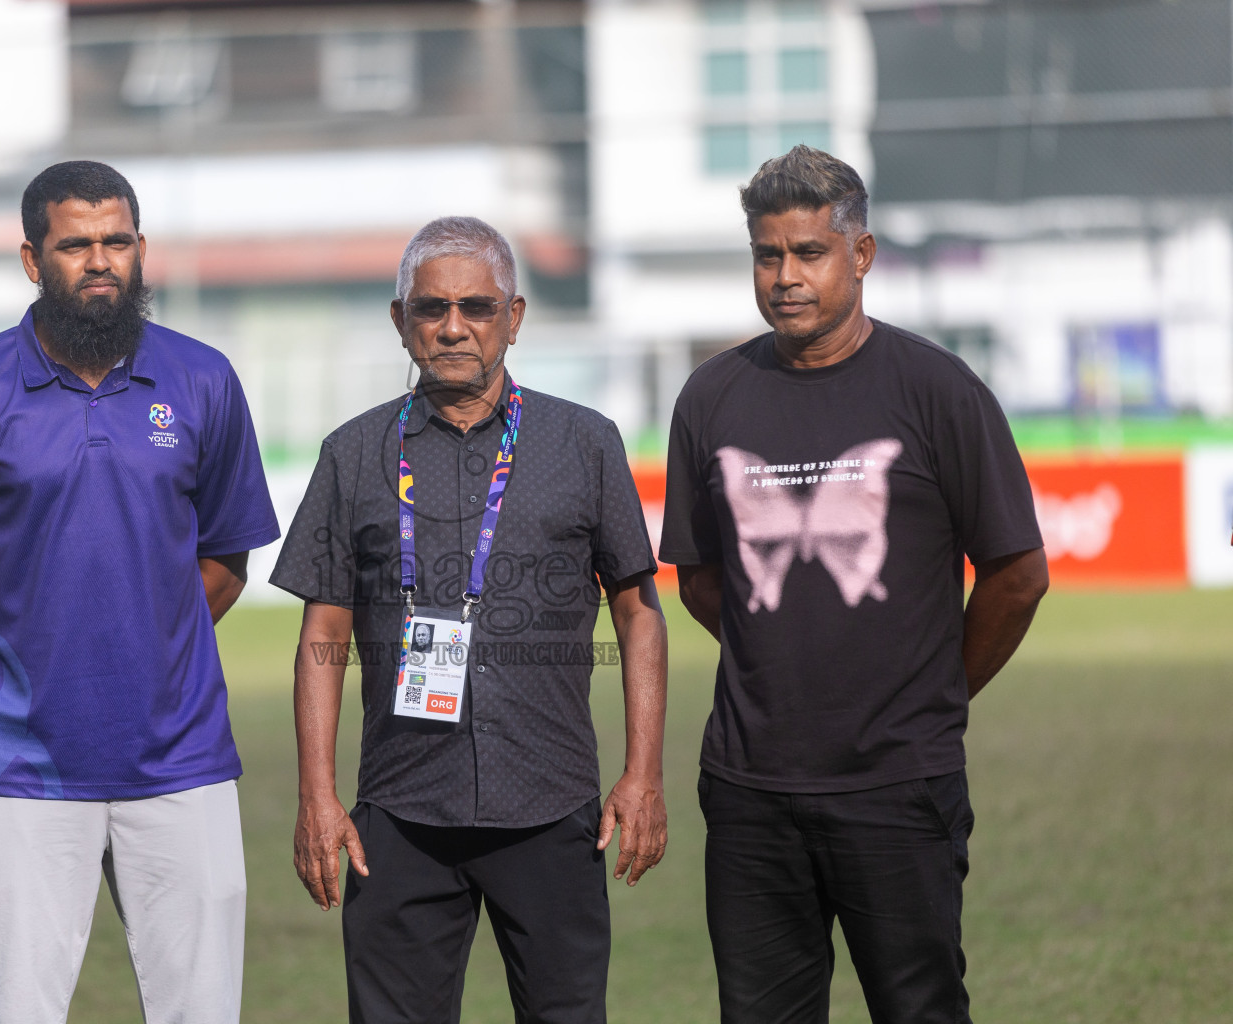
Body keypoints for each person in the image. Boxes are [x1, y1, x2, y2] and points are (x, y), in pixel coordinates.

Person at [660, 146, 1049, 1024]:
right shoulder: (711, 396)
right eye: (768, 255)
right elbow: (699, 579)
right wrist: (783, 655)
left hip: (898, 785)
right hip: (750, 791)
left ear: (860, 256)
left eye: (808, 253)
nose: (785, 277)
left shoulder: (938, 390)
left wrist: (936, 688)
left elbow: (1018, 576)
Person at [0, 160, 280, 1024]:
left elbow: (226, 556)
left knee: (203, 1012)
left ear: (142, 250)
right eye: (76, 245)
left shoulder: (204, 379)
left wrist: (150, 645)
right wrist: (6, 680)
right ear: (34, 261)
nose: (100, 260)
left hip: (180, 760)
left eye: (117, 241)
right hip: (18, 771)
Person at [270, 216, 669, 1024]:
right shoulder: (352, 453)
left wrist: (643, 775)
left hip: (552, 807)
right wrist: (318, 795)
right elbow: (323, 635)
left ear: (514, 318)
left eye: (479, 307)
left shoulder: (585, 442)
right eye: (432, 308)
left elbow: (639, 615)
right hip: (401, 812)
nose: (454, 326)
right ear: (400, 321)